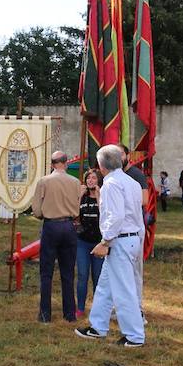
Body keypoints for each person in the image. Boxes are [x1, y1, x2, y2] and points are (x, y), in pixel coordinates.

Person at [74, 145, 145, 347]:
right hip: (128, 239)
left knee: (123, 290)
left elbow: (116, 217)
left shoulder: (111, 184)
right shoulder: (130, 181)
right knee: (105, 287)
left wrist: (105, 241)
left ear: (101, 164)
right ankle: (97, 327)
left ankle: (134, 336)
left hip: (119, 240)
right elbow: (136, 214)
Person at [31, 151, 83, 323]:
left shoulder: (44, 181)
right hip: (69, 226)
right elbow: (78, 205)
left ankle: (45, 315)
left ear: (52, 164)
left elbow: (37, 209)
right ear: (66, 163)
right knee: (68, 272)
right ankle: (69, 314)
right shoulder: (75, 182)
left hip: (51, 225)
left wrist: (43, 215)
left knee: (46, 272)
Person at [76, 169, 104, 318]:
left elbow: (105, 216)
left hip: (98, 242)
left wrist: (99, 196)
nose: (90, 181)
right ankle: (80, 307)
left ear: (99, 180)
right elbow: (74, 214)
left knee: (98, 276)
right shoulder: (83, 198)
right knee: (82, 275)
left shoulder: (103, 196)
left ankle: (98, 308)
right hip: (82, 242)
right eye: (88, 178)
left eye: (94, 178)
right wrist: (79, 196)